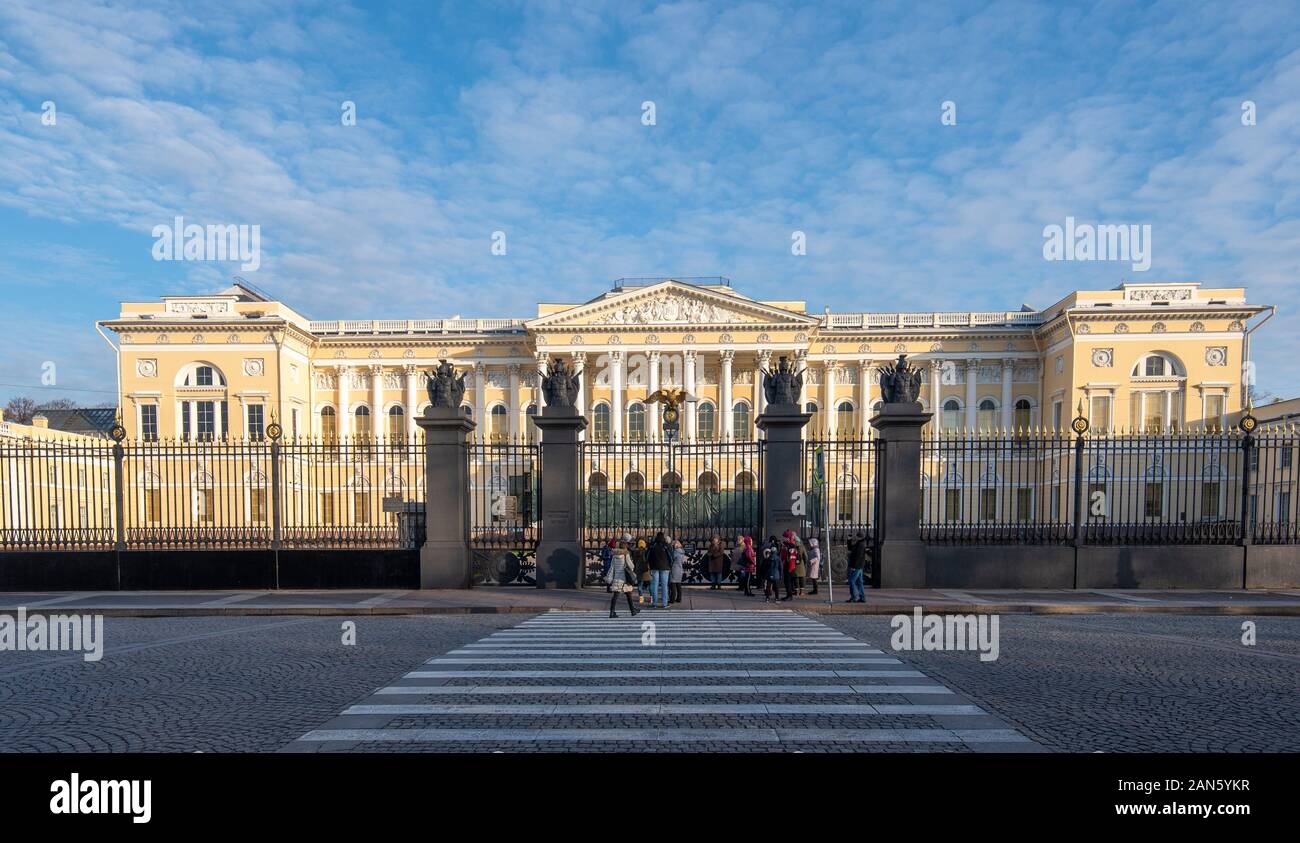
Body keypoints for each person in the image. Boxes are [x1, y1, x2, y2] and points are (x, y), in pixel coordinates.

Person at [608, 540, 641, 618]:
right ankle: (632, 610)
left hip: (617, 577)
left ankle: (613, 612)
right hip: (625, 578)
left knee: (617, 595)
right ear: (625, 546)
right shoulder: (626, 554)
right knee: (628, 594)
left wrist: (610, 576)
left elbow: (612, 567)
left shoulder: (614, 555)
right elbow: (631, 565)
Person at [648, 531, 672, 609]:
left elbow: (647, 555)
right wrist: (670, 564)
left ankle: (654, 603)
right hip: (665, 567)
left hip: (654, 567)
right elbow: (671, 556)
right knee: (664, 586)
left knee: (654, 585)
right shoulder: (666, 545)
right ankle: (664, 603)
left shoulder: (653, 545)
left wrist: (649, 563)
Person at [847, 531, 868, 603]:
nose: (855, 537)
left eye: (857, 536)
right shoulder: (859, 543)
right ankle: (862, 598)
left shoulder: (861, 545)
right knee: (859, 582)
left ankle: (854, 597)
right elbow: (850, 549)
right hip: (859, 566)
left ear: (859, 537)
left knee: (851, 581)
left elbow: (858, 557)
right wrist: (849, 540)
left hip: (857, 566)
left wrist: (854, 567)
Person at [763, 535, 783, 602]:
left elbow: (765, 567)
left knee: (768, 587)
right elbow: (781, 567)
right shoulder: (778, 558)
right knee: (776, 587)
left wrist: (765, 575)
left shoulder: (768, 558)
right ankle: (777, 598)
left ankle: (767, 598)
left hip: (769, 574)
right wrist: (781, 575)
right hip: (776, 574)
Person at [632, 537, 650, 603]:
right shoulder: (646, 551)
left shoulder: (635, 552)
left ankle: (641, 598)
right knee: (649, 584)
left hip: (639, 570)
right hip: (646, 570)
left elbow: (634, 562)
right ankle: (651, 597)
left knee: (640, 585)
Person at [669, 539, 685, 603]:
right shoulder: (682, 551)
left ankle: (672, 599)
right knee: (678, 584)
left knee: (673, 584)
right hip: (680, 569)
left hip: (674, 569)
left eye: (673, 544)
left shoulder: (675, 551)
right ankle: (679, 598)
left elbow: (671, 559)